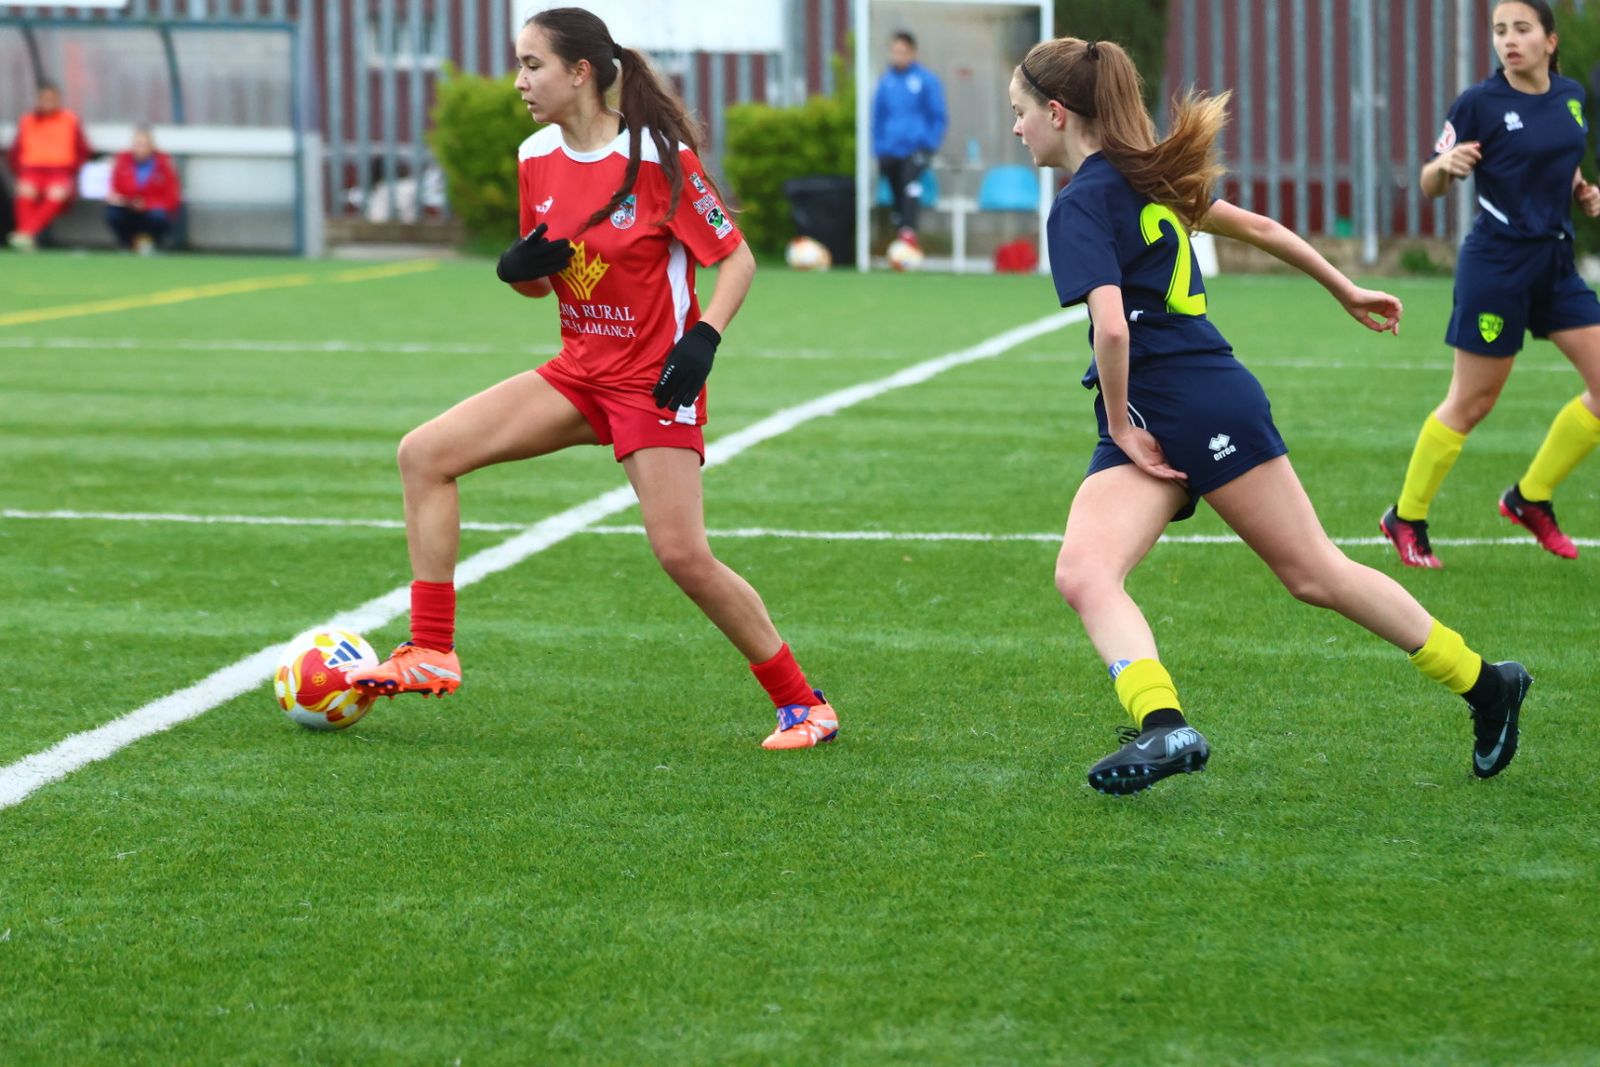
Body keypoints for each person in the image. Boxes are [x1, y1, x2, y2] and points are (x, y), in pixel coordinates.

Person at [1007, 36, 1531, 795]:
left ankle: (1488, 683)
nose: (1017, 129)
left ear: (1057, 113)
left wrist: (1120, 425)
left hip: (1188, 401)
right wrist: (1344, 288)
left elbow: (1113, 327)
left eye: (1020, 113)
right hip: (1160, 409)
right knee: (1085, 571)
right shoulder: (1147, 175)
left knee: (1313, 572)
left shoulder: (1081, 201)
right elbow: (1263, 229)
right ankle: (1164, 725)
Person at [347, 6, 839, 751]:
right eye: (519, 65)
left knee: (681, 553)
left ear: (581, 71)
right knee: (425, 453)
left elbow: (735, 258)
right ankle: (431, 649)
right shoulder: (535, 155)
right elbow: (544, 283)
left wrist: (703, 337)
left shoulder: (658, 158)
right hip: (578, 373)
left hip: (653, 383)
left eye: (532, 65)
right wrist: (517, 272)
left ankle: (805, 704)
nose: (519, 82)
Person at [1382, 0, 1600, 568]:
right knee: (1473, 403)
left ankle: (1530, 498)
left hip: (1554, 263)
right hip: (1497, 266)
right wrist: (1445, 167)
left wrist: (1580, 188)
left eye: (1522, 29)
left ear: (1550, 41)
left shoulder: (1573, 96)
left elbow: (1560, 155)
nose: (1509, 40)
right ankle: (1406, 516)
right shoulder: (1478, 103)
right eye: (1501, 30)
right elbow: (1430, 180)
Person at [871, 31, 947, 246]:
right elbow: (878, 118)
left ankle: (908, 233)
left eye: (903, 51)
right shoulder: (886, 83)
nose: (898, 55)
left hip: (917, 147)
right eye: (895, 51)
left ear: (912, 53)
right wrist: (879, 146)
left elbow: (938, 116)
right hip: (890, 149)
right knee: (896, 192)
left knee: (910, 183)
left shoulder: (926, 80)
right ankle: (901, 228)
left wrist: (930, 143)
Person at [6, 80, 92, 252]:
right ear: (38, 99)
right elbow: (15, 151)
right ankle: (26, 238)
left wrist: (70, 172)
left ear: (58, 99)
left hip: (59, 171)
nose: (47, 102)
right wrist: (20, 172)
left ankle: (25, 234)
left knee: (57, 193)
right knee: (25, 189)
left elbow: (83, 150)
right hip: (32, 170)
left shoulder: (69, 119)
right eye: (44, 98)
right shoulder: (27, 120)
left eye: (51, 98)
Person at [105, 126, 181, 254]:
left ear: (152, 146)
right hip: (128, 208)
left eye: (143, 144)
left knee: (159, 216)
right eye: (137, 144)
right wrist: (125, 200)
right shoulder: (122, 160)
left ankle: (151, 242)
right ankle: (126, 243)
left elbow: (172, 197)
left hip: (151, 211)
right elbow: (115, 188)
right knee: (113, 212)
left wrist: (147, 204)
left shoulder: (164, 163)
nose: (139, 148)